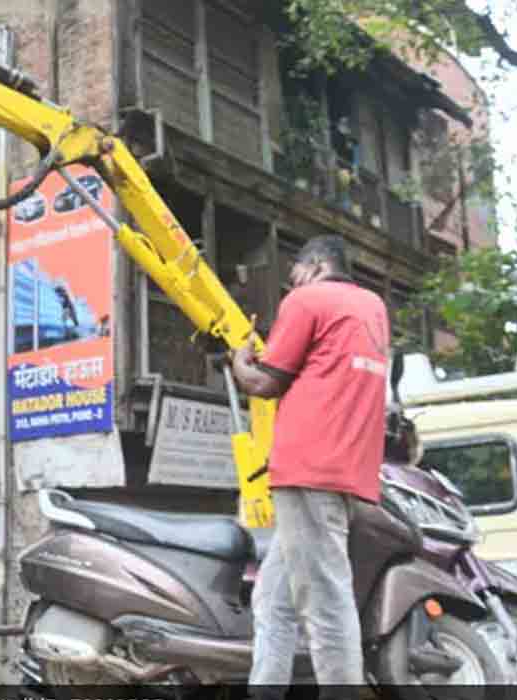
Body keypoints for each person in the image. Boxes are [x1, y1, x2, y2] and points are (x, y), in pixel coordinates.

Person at [229, 235, 390, 696]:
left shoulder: (307, 299)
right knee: (273, 598)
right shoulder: (372, 308)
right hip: (347, 471)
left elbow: (264, 383)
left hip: (308, 469)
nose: (291, 282)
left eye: (295, 270)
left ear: (317, 265)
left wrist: (240, 362)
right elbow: (324, 369)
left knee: (325, 602)